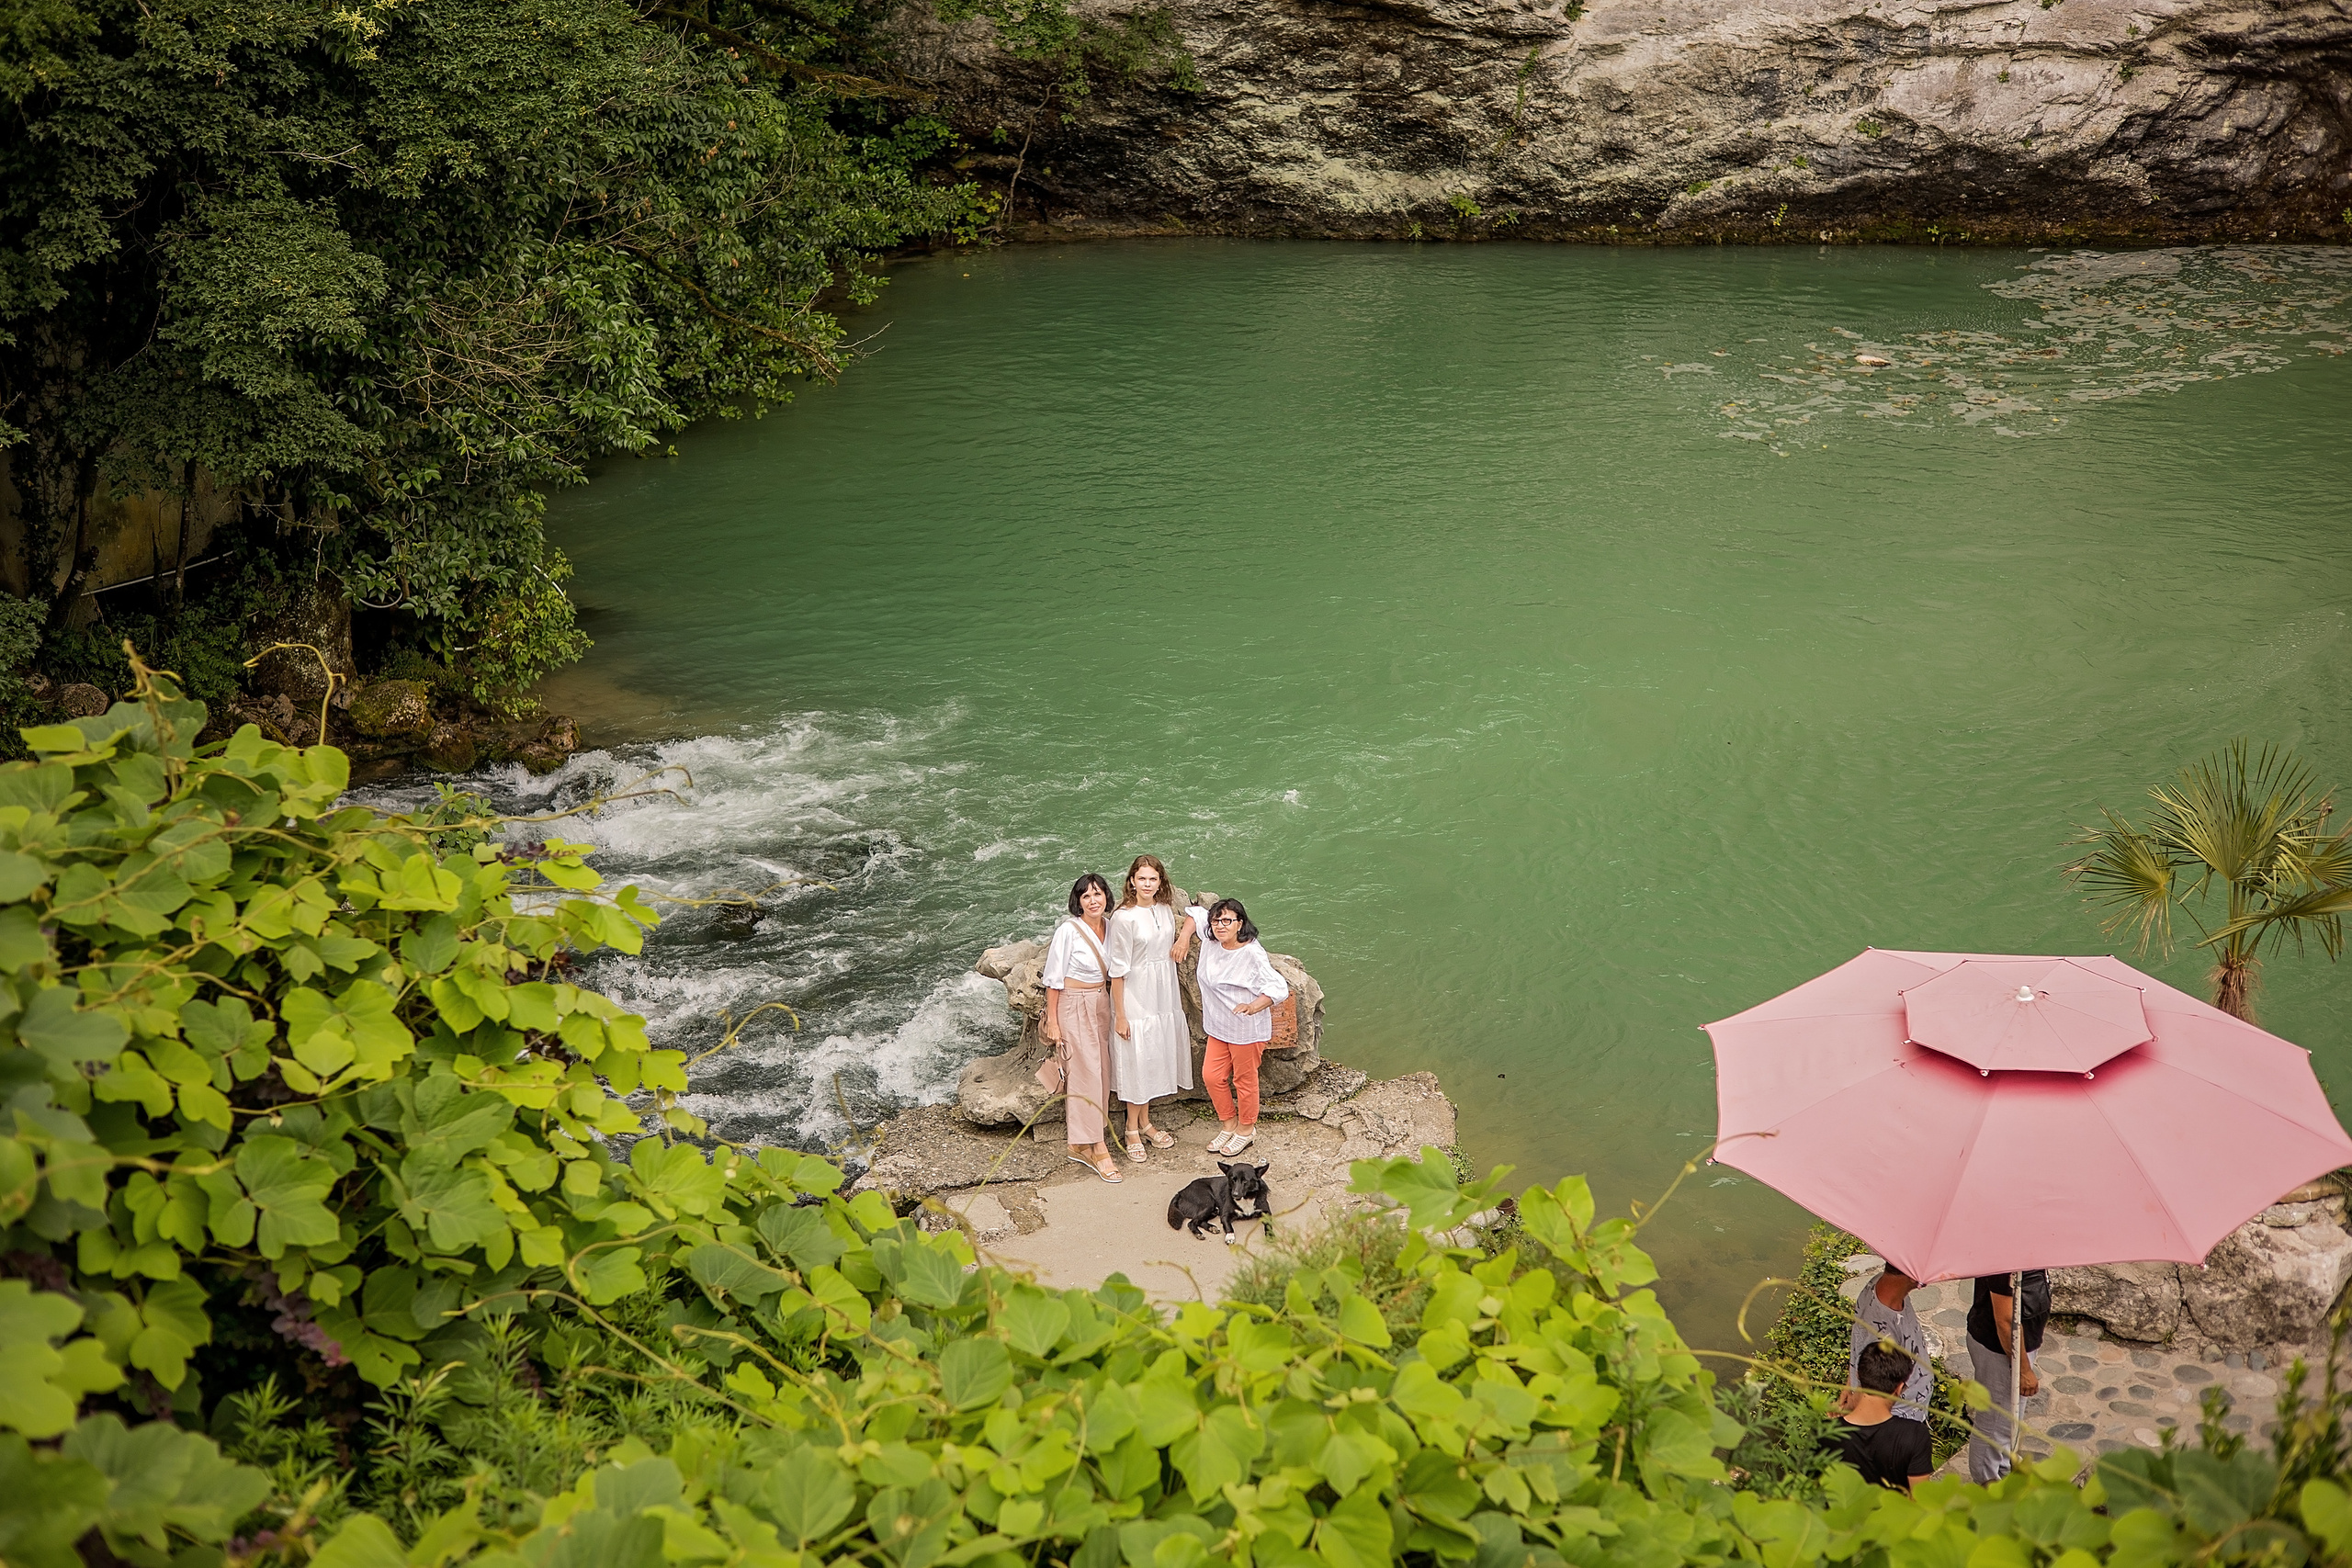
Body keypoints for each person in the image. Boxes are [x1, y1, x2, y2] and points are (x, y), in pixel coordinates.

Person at [1185, 897, 1290, 1156]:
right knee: (1211, 1076)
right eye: (1217, 921)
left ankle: (1246, 1130)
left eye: (1227, 921)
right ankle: (1229, 1124)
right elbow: (1195, 913)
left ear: (1240, 924)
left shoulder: (1251, 953)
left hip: (1246, 1028)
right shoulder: (1212, 941)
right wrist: (1182, 939)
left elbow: (1279, 987)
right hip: (1219, 1026)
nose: (1220, 926)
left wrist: (1254, 1006)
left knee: (1244, 1080)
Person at [1107, 854, 1191, 1161]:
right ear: (1132, 881)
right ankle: (1131, 1128)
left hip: (1163, 992)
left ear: (1160, 882)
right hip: (1135, 993)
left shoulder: (1165, 909)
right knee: (1138, 1060)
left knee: (1153, 1057)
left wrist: (1183, 937)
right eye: (1141, 878)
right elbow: (1117, 970)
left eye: (1152, 879)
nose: (1147, 884)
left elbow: (1198, 915)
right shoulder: (1123, 917)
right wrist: (1121, 1014)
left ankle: (1145, 1123)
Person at [1042, 874, 1120, 1182]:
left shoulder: (1111, 926)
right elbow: (1053, 979)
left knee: (1100, 1071)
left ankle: (1080, 1142)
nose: (1093, 901)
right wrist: (1053, 1021)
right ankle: (1098, 1148)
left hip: (1101, 1001)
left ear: (1106, 897)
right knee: (1086, 1075)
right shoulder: (1068, 931)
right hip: (1073, 1004)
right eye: (1086, 896)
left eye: (1098, 894)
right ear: (1078, 901)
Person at [1965, 1268, 2048, 1483]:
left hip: (2017, 1347)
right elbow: (2005, 1320)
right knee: (1995, 1426)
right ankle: (1986, 1484)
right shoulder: (2007, 1255)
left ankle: (2002, 1471)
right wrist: (2023, 1369)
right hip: (2001, 1352)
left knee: (2008, 1423)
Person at [1830, 1341, 1935, 1493]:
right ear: (1899, 1388)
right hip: (1893, 1515)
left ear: (1859, 1376)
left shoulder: (1826, 1432)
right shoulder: (1915, 1435)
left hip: (1844, 1514)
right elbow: (1920, 1498)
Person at [1845, 1265, 1931, 1427]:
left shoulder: (1884, 1286)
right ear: (1913, 1277)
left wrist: (1849, 1386)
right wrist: (1853, 1400)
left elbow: (1859, 1348)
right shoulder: (1881, 1332)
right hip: (1897, 1418)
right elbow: (1874, 1388)